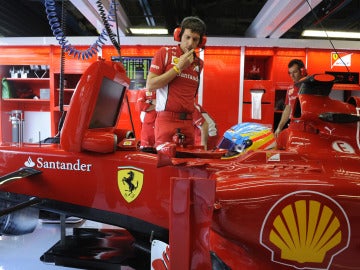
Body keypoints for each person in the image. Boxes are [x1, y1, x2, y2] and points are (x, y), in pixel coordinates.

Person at [146, 16, 207, 147]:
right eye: (187, 37)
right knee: (165, 165)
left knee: (188, 166)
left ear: (200, 42)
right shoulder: (165, 53)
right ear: (179, 36)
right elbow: (150, 85)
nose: (190, 43)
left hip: (188, 122)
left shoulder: (199, 64)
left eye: (195, 39)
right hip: (166, 120)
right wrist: (178, 68)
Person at [274, 59, 307, 138]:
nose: (292, 75)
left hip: (307, 128)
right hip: (294, 125)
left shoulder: (311, 87)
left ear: (302, 71)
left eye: (295, 72)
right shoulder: (290, 88)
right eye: (290, 73)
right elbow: (287, 109)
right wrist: (279, 128)